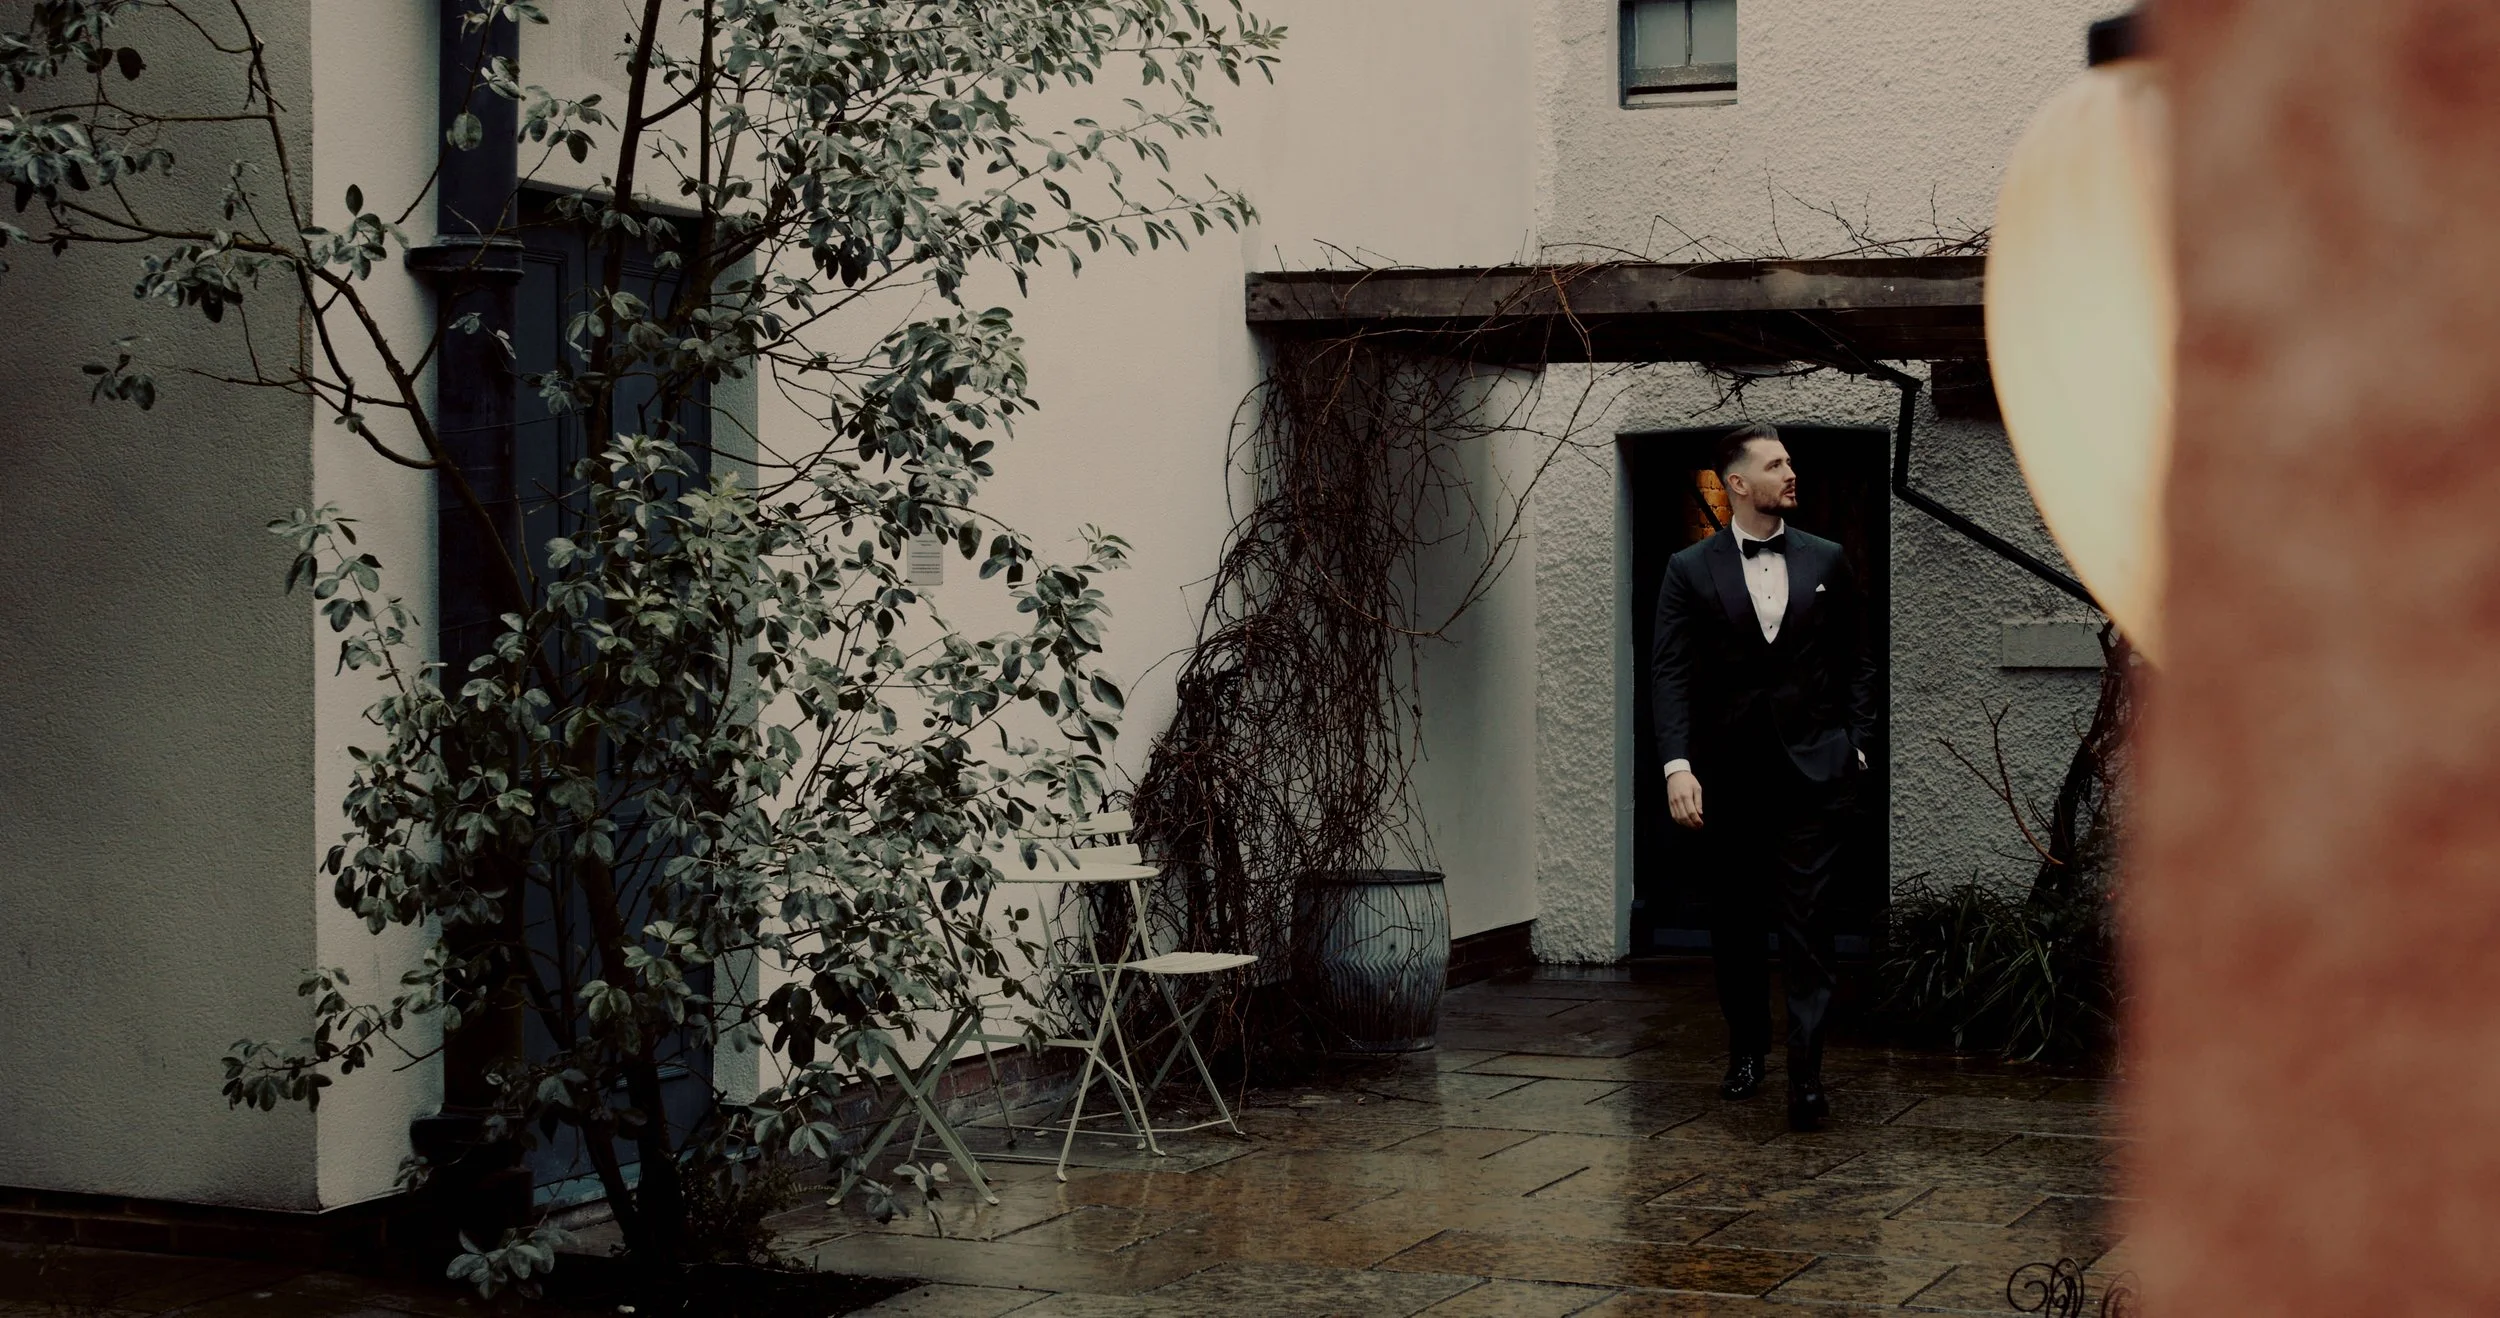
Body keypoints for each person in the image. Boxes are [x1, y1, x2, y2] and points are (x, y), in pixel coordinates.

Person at [1650, 421, 1876, 1131]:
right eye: (1776, 465)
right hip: (1728, 779)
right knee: (1736, 926)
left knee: (1808, 928)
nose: (1791, 473)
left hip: (1813, 778)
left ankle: (1806, 1079)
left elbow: (1860, 659)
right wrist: (1678, 765)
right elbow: (1670, 673)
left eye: (1792, 463)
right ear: (1738, 483)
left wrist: (1858, 746)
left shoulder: (1828, 560)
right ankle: (1746, 1049)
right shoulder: (1688, 569)